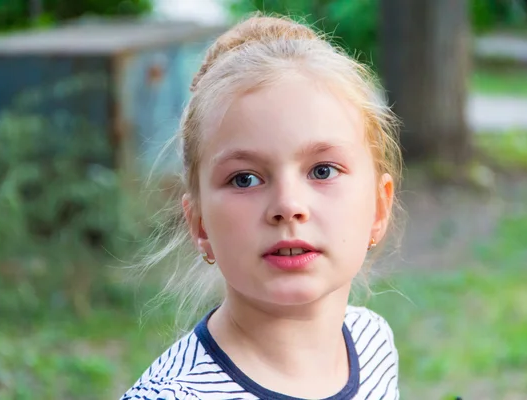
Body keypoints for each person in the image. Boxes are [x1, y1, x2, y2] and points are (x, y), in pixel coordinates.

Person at [121, 14, 402, 400]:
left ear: (378, 208)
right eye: (245, 179)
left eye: (322, 170)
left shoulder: (373, 345)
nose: (288, 206)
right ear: (200, 224)